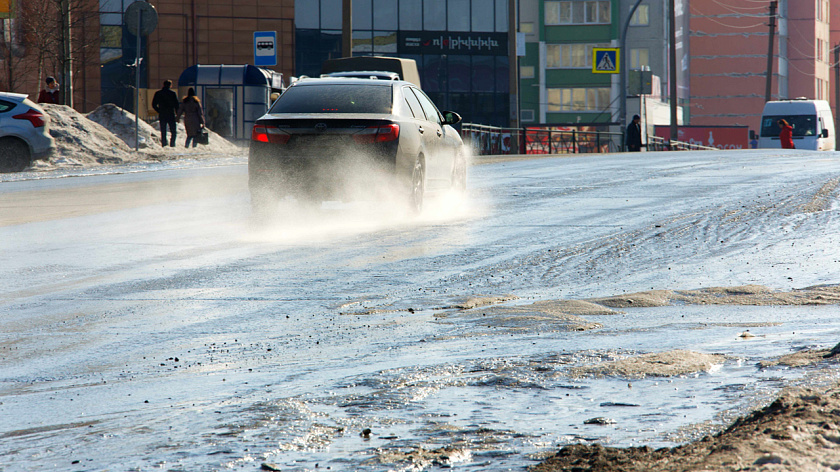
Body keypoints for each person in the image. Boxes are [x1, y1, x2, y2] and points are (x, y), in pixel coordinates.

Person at [152, 80, 180, 147]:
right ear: (170, 85)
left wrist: (159, 110)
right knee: (173, 131)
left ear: (163, 85)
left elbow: (153, 104)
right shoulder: (173, 93)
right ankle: (172, 144)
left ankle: (164, 143)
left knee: (163, 130)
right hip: (171, 114)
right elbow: (176, 105)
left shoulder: (158, 93)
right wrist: (177, 114)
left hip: (162, 114)